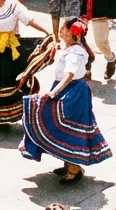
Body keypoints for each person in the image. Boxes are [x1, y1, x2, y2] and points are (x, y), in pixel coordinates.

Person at [21, 21, 110, 182]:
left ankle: (74, 168)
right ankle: (68, 164)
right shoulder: (67, 48)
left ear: (72, 34)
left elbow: (69, 75)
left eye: (64, 30)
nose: (61, 33)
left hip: (72, 92)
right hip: (65, 88)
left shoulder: (75, 53)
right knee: (60, 127)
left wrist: (53, 93)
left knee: (68, 127)